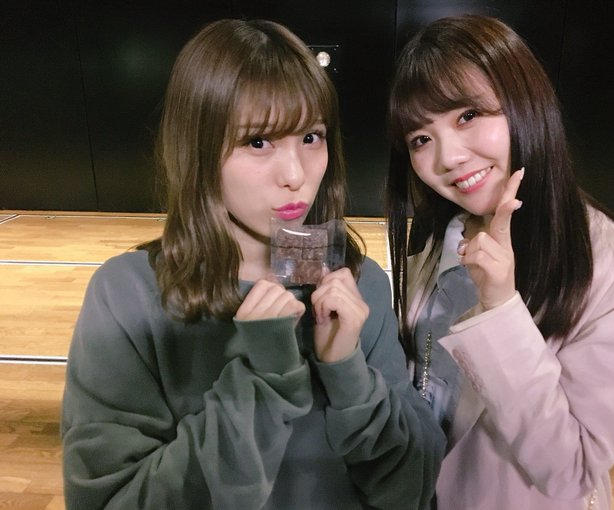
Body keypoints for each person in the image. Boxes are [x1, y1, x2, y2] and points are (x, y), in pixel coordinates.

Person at [61, 18, 445, 509]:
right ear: (198, 149)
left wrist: (348, 371)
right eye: (258, 142)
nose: (295, 175)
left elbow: (410, 487)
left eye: (311, 137)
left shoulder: (357, 282)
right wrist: (261, 380)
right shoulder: (128, 296)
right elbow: (110, 500)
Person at [385, 14, 614, 510]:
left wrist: (500, 309)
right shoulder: (436, 232)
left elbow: (570, 472)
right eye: (420, 139)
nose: (448, 157)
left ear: (525, 102)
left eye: (468, 115)